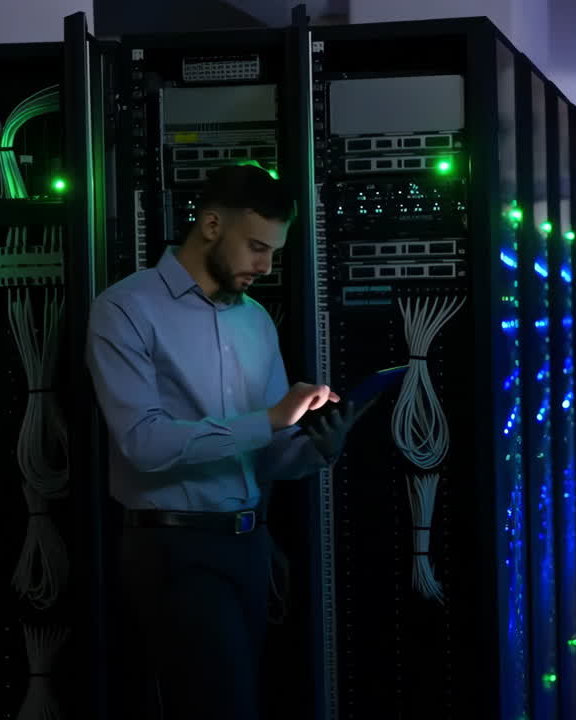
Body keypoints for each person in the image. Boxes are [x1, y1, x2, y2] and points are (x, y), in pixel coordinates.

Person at [86, 164, 368, 719]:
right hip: (175, 549)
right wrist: (269, 419)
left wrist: (318, 446)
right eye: (257, 247)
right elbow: (142, 444)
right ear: (212, 225)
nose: (265, 266)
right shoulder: (126, 309)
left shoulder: (256, 320)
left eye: (273, 252)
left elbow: (264, 457)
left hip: (249, 544)